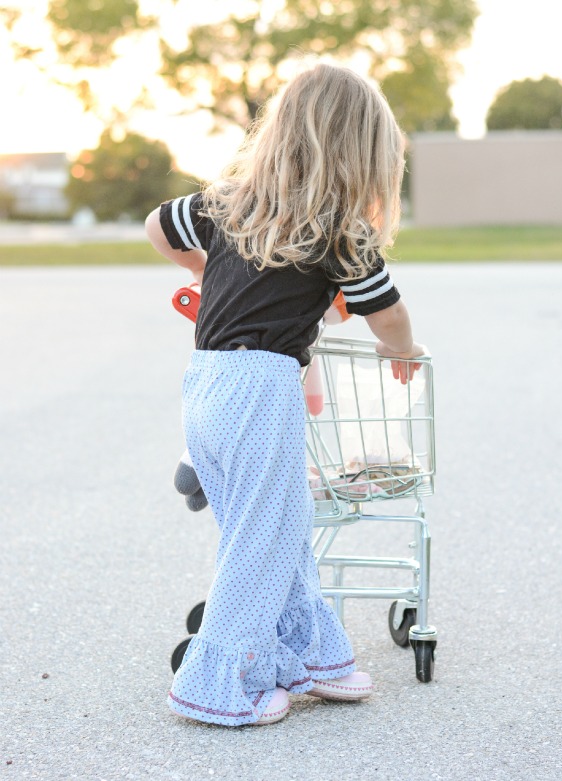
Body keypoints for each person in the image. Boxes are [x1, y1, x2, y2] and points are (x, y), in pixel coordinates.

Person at [145, 62, 426, 727]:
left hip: (207, 383)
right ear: (363, 153)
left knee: (281, 524)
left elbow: (158, 225)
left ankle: (312, 655)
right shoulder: (340, 228)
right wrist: (402, 351)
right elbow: (386, 313)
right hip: (261, 390)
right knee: (262, 537)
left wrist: (206, 269)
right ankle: (215, 686)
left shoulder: (229, 204)